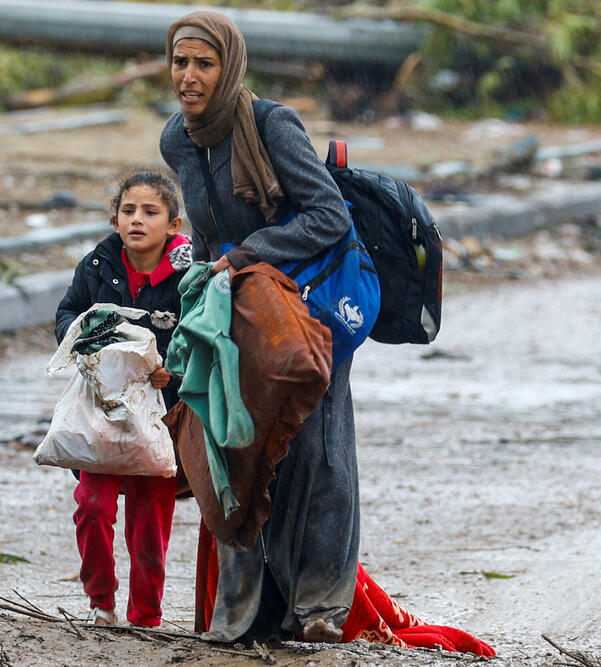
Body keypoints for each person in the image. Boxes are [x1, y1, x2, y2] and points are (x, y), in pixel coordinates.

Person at [160, 10, 359, 644]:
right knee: (234, 446)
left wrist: (247, 254)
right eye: (180, 62)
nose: (189, 77)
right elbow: (209, 228)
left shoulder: (273, 125)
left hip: (306, 308)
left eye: (204, 63)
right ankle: (245, 612)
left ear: (231, 67)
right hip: (237, 311)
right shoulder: (177, 140)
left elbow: (329, 216)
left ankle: (322, 607)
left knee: (317, 451)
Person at [54, 171, 193, 627]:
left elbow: (201, 331)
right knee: (91, 505)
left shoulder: (188, 275)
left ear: (173, 225)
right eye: (128, 211)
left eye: (150, 212)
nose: (137, 220)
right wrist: (81, 340)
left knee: (149, 525)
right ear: (115, 220)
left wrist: (174, 368)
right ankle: (101, 602)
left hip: (161, 421)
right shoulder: (97, 267)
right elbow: (68, 313)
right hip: (103, 413)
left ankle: (146, 617)